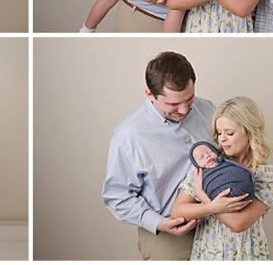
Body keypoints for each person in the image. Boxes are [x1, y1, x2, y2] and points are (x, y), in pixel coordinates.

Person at [102, 52, 242, 260]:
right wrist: (158, 223)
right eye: (173, 104)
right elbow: (117, 196)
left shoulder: (207, 109)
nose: (184, 109)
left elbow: (229, 154)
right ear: (150, 94)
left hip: (222, 223)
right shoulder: (128, 137)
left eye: (189, 98)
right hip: (171, 235)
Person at [170, 96, 273, 260]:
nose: (222, 139)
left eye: (230, 133)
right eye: (219, 133)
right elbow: (177, 211)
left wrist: (204, 197)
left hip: (246, 254)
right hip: (208, 254)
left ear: (250, 131)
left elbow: (239, 223)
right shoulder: (207, 166)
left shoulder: (267, 175)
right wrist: (211, 207)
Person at [188, 141, 255, 201]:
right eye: (201, 157)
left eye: (210, 152)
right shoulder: (197, 177)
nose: (207, 156)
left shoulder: (225, 160)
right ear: (196, 164)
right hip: (218, 195)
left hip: (241, 187)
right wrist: (199, 192)